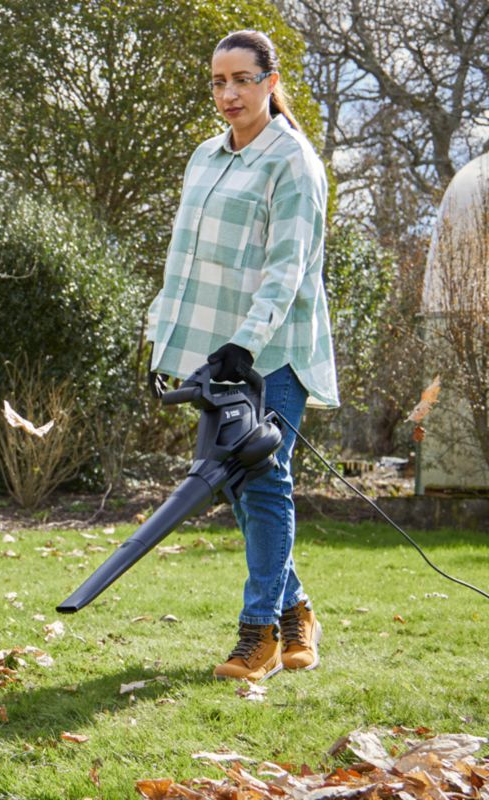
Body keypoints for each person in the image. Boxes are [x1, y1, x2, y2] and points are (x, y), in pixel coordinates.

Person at [146, 30, 339, 683]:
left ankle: (257, 636)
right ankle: (298, 610)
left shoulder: (294, 163)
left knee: (266, 478)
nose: (228, 94)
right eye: (218, 82)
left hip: (274, 350)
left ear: (269, 80)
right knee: (238, 485)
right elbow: (185, 263)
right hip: (214, 350)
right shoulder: (205, 157)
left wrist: (246, 343)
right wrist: (164, 337)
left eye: (242, 80)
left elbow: (288, 271)